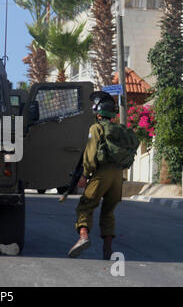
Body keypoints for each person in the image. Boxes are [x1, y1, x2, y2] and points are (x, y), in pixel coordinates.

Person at [68, 91, 123, 260]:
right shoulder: (120, 129)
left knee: (85, 206)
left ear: (98, 112)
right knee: (108, 212)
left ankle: (83, 237)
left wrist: (85, 174)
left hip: (101, 174)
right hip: (118, 176)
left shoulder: (96, 128)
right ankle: (108, 249)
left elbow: (90, 155)